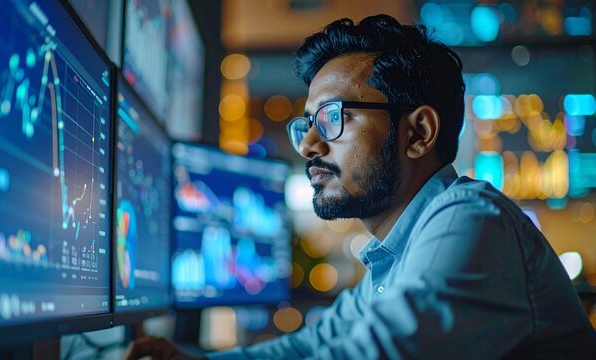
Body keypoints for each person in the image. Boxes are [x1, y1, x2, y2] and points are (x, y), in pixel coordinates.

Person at [125, 14, 596, 359]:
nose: (308, 144)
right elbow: (316, 341)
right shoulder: (393, 256)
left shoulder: (470, 220)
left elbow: (377, 353)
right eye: (307, 123)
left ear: (418, 133)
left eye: (332, 117)